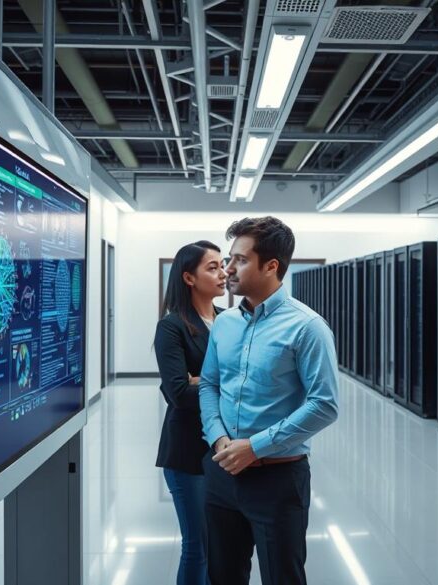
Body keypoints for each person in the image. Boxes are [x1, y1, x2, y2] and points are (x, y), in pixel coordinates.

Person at [198, 216, 339, 585]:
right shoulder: (225, 323)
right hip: (222, 472)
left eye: (239, 260)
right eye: (229, 259)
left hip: (278, 480)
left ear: (271, 266)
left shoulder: (307, 327)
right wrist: (219, 438)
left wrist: (256, 447)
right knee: (222, 575)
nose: (228, 268)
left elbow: (325, 404)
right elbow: (210, 384)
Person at [154, 240, 228, 585]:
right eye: (212, 267)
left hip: (227, 448)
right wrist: (223, 382)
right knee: (197, 546)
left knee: (221, 545)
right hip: (187, 452)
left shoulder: (230, 321)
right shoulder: (172, 326)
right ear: (188, 277)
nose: (223, 272)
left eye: (223, 264)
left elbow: (252, 380)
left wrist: (203, 380)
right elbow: (179, 393)